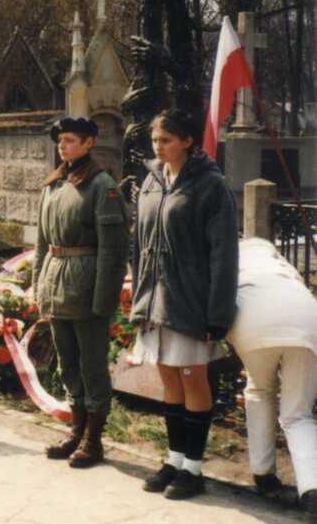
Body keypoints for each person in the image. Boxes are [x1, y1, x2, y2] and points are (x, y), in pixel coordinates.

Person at [129, 109, 238, 500]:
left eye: (166, 140)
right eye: (155, 140)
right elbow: (138, 244)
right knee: (170, 380)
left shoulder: (211, 186)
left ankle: (193, 467)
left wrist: (217, 314)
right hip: (154, 301)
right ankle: (173, 459)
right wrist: (138, 297)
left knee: (193, 380)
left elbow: (224, 254)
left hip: (190, 301)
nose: (158, 147)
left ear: (188, 141)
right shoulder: (151, 181)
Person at [33, 116, 128, 470]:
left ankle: (93, 439)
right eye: (60, 141)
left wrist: (104, 299)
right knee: (68, 363)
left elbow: (113, 251)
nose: (63, 146)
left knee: (92, 365)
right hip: (56, 283)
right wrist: (38, 288)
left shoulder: (102, 186)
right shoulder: (53, 185)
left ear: (89, 143)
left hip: (86, 286)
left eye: (71, 140)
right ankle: (76, 431)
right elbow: (42, 243)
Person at [228, 238, 316, 518]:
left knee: (260, 390)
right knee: (297, 414)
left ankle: (263, 475)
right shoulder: (281, 264)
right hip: (307, 320)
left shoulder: (234, 259)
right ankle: (312, 490)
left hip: (252, 321)